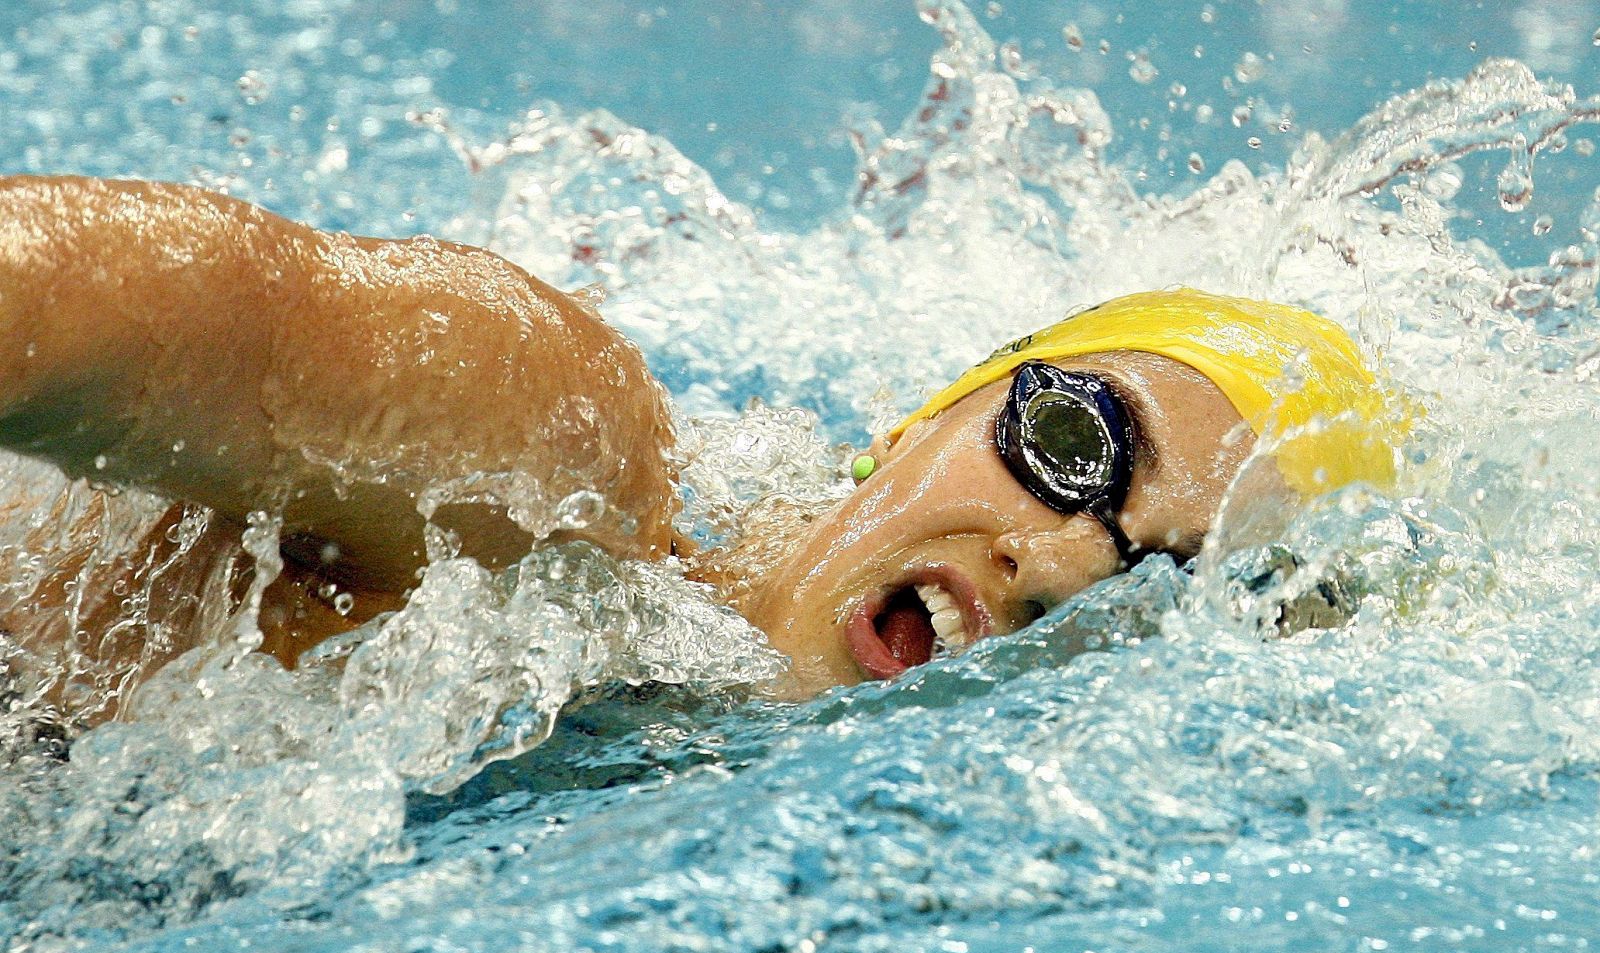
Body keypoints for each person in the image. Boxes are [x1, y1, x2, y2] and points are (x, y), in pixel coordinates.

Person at [0, 175, 1408, 724]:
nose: (1056, 564)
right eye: (1074, 443)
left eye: (1161, 575)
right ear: (922, 417)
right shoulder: (558, 457)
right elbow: (219, 309)